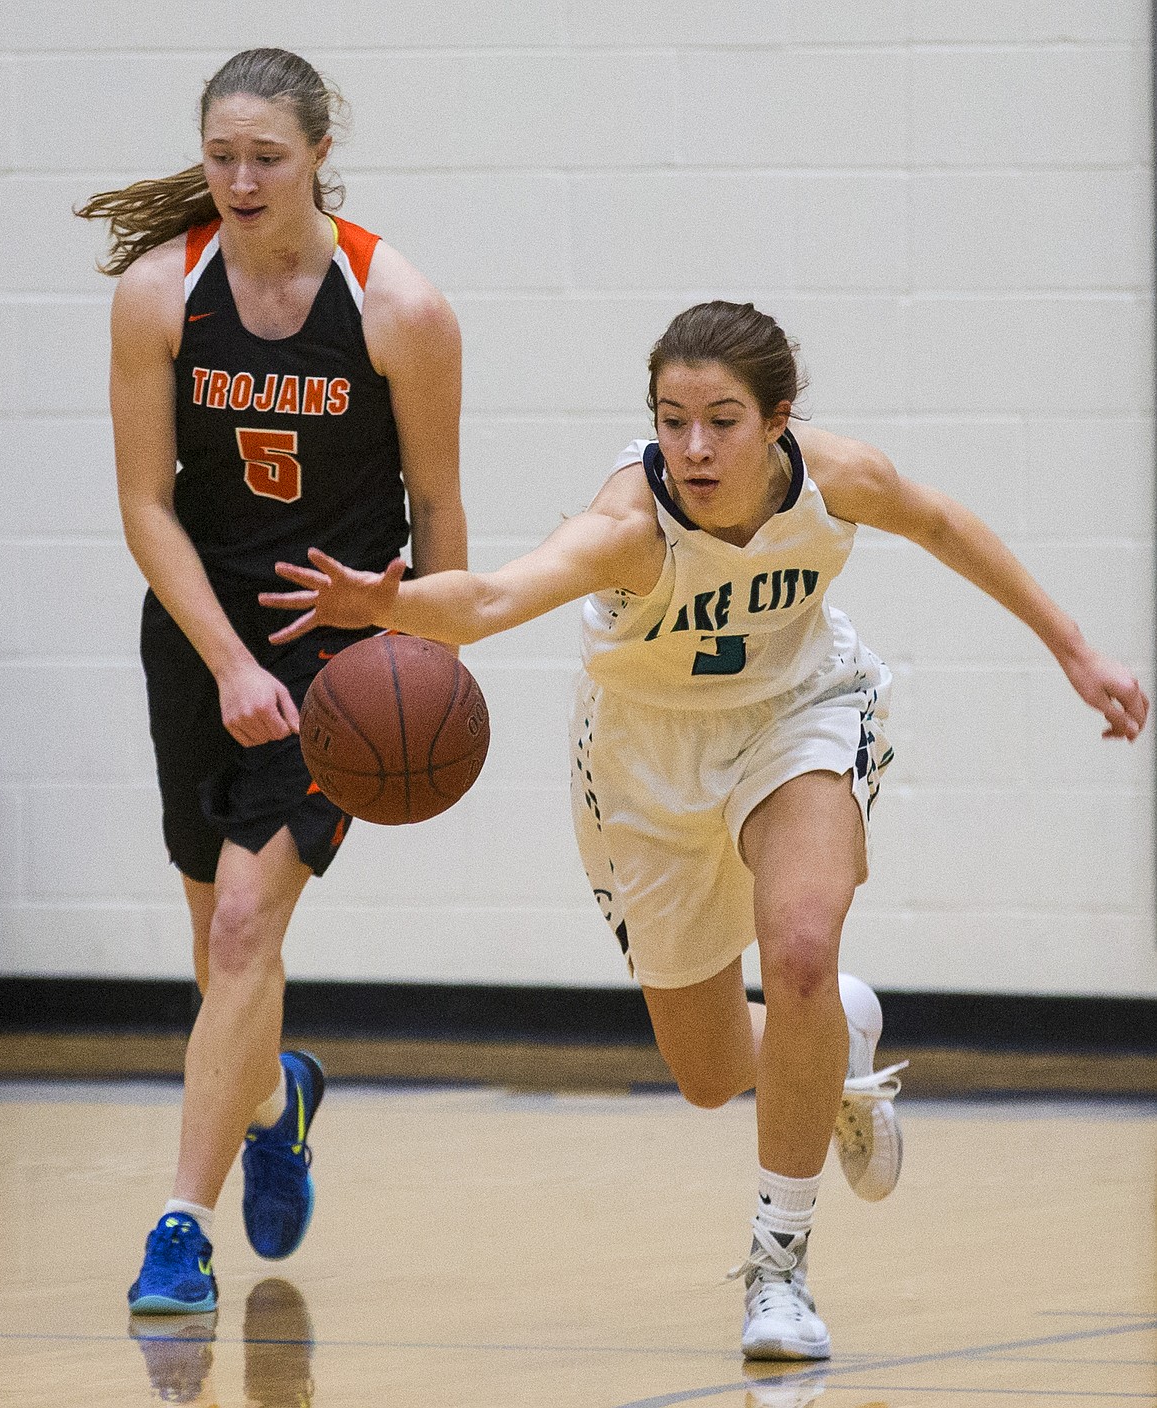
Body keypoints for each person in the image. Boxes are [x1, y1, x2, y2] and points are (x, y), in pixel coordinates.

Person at [260, 299, 1148, 1359]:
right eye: (671, 419)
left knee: (803, 946)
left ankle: (779, 1268)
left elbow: (947, 524)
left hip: (799, 711)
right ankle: (836, 1046)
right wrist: (390, 605)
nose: (692, 446)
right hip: (644, 765)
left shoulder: (837, 479)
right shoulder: (632, 521)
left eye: (720, 420)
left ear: (777, 419)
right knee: (709, 1071)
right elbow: (496, 596)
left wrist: (1076, 652)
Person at [76, 47, 467, 1314]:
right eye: (221, 157)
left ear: (318, 154)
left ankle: (177, 1231)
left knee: (248, 926)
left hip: (340, 655)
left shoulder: (398, 305)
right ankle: (276, 1099)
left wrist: (429, 659)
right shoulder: (159, 292)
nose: (240, 181)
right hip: (202, 639)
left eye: (267, 158)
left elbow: (439, 506)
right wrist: (232, 661)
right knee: (218, 951)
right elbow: (145, 506)